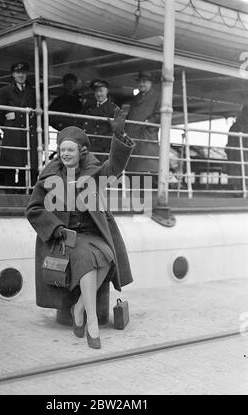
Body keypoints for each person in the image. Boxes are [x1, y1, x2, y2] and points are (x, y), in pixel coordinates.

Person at [26, 109, 134, 349]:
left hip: (92, 234)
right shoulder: (49, 177)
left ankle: (79, 308)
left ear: (81, 152)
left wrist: (118, 136)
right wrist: (54, 228)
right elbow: (33, 209)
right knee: (86, 259)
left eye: (70, 150)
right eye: (62, 150)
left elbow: (114, 168)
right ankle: (91, 322)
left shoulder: (94, 172)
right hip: (64, 238)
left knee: (108, 256)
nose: (65, 154)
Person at [0, 61, 38, 189]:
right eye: (18, 72)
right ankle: (10, 191)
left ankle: (27, 192)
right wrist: (9, 121)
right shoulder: (5, 91)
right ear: (13, 74)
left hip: (28, 133)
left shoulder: (33, 91)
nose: (21, 75)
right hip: (13, 133)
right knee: (10, 164)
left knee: (29, 163)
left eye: (23, 72)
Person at [125, 70, 161, 186]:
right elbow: (130, 114)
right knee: (133, 166)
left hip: (146, 134)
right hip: (133, 134)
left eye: (145, 82)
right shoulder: (136, 97)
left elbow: (160, 114)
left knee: (145, 165)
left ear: (151, 83)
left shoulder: (158, 96)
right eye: (140, 82)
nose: (142, 84)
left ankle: (143, 195)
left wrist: (149, 122)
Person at [82, 79, 118, 163]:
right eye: (96, 92)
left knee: (101, 174)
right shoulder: (89, 107)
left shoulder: (113, 109)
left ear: (107, 91)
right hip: (88, 148)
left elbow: (116, 131)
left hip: (102, 150)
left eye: (101, 91)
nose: (98, 94)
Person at [225, 105, 248, 194]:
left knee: (240, 170)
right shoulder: (236, 126)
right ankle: (240, 189)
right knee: (240, 170)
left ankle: (240, 189)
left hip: (238, 152)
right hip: (238, 152)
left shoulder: (235, 126)